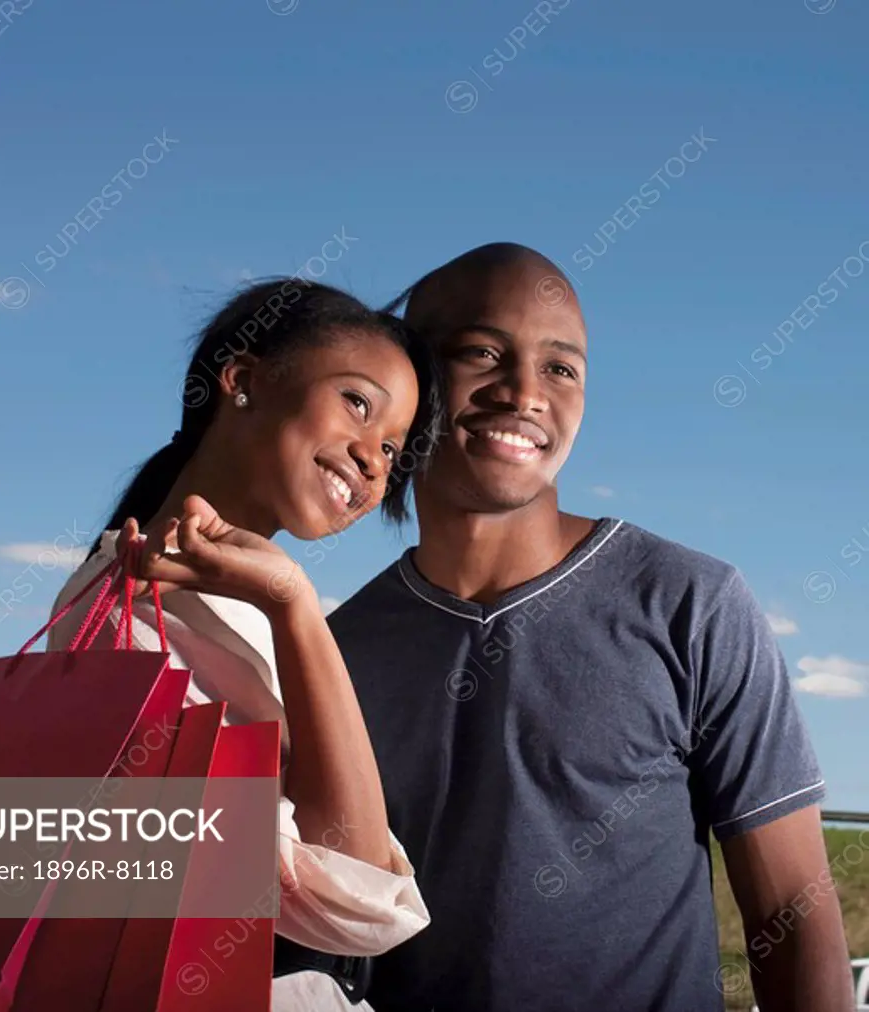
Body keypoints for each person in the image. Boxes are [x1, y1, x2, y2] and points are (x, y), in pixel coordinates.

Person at [327, 243, 856, 1012]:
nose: (524, 393)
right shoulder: (341, 648)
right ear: (411, 377)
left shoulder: (695, 605)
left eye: (561, 369)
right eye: (482, 352)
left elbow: (791, 915)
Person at [46, 278, 443, 1010]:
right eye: (357, 403)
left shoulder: (195, 603)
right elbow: (357, 898)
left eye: (393, 447)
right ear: (244, 379)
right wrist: (295, 607)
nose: (374, 459)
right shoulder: (141, 624)